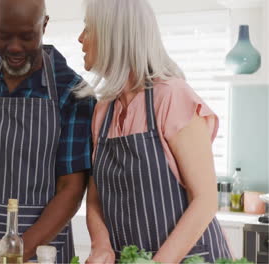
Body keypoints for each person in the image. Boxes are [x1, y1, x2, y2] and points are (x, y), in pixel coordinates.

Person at [75, 0, 233, 263]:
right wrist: (101, 245)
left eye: (88, 29)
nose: (81, 39)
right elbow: (95, 199)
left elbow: (205, 200)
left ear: (114, 35)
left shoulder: (172, 97)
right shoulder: (103, 112)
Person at [0, 0, 95, 262]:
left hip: (44, 251)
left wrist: (18, 251)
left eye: (26, 36)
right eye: (3, 35)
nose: (13, 47)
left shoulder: (74, 93)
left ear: (44, 25)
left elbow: (72, 188)